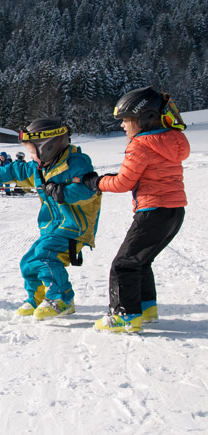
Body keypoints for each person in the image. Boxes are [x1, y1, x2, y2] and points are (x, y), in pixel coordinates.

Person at [82, 87, 189, 333]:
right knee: (142, 260)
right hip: (175, 211)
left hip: (153, 211)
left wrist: (96, 183)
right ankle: (145, 308)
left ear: (145, 119)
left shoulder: (141, 144)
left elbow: (123, 183)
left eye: (126, 121)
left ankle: (124, 315)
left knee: (124, 264)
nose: (122, 127)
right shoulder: (173, 140)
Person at [0, 118, 101, 320]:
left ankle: (62, 298)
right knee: (28, 262)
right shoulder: (39, 167)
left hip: (74, 226)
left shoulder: (76, 162)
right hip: (52, 227)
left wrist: (62, 192)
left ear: (49, 146)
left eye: (32, 150)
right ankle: (37, 298)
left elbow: (87, 190)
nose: (31, 156)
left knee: (44, 257)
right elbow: (16, 170)